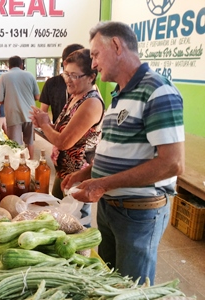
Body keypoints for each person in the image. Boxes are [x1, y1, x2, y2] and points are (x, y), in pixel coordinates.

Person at [62, 21, 185, 284]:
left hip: (138, 212)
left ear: (116, 45)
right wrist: (85, 174)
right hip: (109, 208)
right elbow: (116, 151)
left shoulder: (158, 90)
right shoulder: (119, 95)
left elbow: (172, 164)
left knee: (131, 288)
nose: (93, 64)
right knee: (108, 282)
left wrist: (103, 183)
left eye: (95, 54)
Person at [30, 49, 104, 226]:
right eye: (66, 74)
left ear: (91, 77)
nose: (68, 80)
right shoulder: (76, 96)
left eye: (74, 75)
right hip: (64, 172)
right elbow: (62, 132)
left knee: (75, 225)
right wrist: (44, 124)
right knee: (58, 218)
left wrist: (45, 125)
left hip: (78, 175)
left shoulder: (91, 102)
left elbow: (64, 142)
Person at [0, 56, 40, 159]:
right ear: (21, 65)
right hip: (30, 113)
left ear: (8, 65)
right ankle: (31, 163)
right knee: (30, 142)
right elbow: (37, 96)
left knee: (16, 144)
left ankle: (19, 167)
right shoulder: (29, 75)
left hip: (13, 114)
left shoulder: (4, 77)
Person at [39, 44, 84, 123]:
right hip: (58, 131)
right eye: (79, 63)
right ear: (66, 63)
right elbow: (43, 112)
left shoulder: (87, 86)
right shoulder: (51, 83)